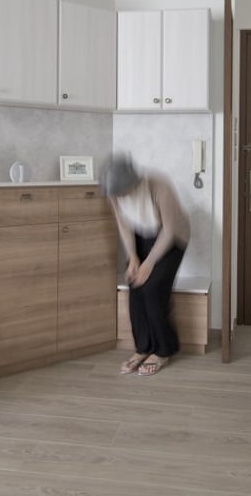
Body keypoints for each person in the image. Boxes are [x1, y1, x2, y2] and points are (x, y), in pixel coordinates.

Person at [100, 155, 190, 376]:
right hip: (141, 236)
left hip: (171, 236)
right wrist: (133, 257)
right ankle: (143, 348)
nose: (118, 197)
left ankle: (163, 350)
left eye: (122, 192)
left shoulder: (159, 185)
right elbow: (124, 226)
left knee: (152, 287)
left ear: (132, 182)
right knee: (134, 283)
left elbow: (169, 231)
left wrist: (149, 264)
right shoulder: (113, 191)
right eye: (115, 194)